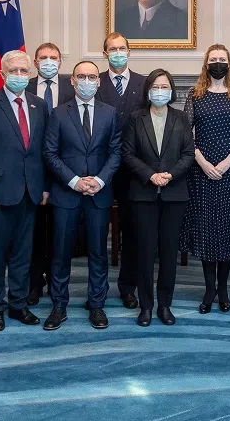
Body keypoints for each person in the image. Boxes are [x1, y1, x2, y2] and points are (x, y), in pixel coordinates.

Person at [0, 50, 48, 331]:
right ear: (2, 75)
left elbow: (42, 152)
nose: (19, 76)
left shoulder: (40, 106)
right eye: (13, 71)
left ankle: (18, 304)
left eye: (23, 71)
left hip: (30, 192)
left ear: (30, 74)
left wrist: (45, 187)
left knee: (23, 254)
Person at [43, 60, 121, 330]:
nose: (86, 81)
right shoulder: (57, 113)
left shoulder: (110, 113)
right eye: (81, 77)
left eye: (91, 77)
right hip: (66, 194)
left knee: (99, 253)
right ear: (72, 81)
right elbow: (49, 153)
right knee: (60, 253)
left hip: (99, 194)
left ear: (98, 82)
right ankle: (58, 306)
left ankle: (97, 305)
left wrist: (99, 180)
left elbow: (115, 152)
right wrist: (74, 181)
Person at [180, 44, 230, 313]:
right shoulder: (195, 94)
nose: (217, 63)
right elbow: (185, 132)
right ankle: (209, 288)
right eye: (213, 59)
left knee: (227, 231)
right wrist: (202, 161)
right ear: (205, 64)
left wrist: (227, 161)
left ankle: (222, 288)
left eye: (221, 59)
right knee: (206, 230)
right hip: (201, 172)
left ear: (229, 64)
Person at [121, 69, 195, 326]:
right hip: (143, 194)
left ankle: (165, 305)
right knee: (144, 252)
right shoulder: (135, 118)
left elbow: (188, 153)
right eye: (155, 86)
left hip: (174, 195)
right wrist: (151, 175)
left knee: (168, 253)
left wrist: (170, 175)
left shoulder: (182, 118)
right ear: (148, 91)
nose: (160, 91)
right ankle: (146, 307)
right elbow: (128, 154)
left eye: (165, 87)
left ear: (172, 90)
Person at [96, 32, 146, 309]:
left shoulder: (144, 83)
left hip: (134, 171)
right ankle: (98, 288)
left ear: (129, 51)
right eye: (112, 49)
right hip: (101, 169)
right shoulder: (94, 82)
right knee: (98, 230)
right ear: (104, 54)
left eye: (122, 48)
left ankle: (128, 287)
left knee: (133, 231)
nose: (118, 52)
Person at [25, 42, 74, 305]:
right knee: (34, 231)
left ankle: (58, 283)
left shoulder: (72, 86)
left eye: (53, 57)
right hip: (32, 168)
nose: (48, 61)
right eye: (42, 57)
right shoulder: (24, 85)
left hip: (65, 170)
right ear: (34, 62)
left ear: (60, 62)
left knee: (59, 233)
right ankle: (35, 283)